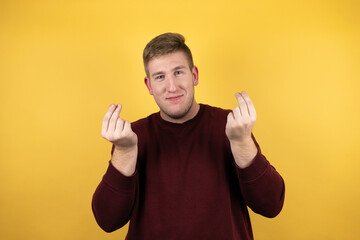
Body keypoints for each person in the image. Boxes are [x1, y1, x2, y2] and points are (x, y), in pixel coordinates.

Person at [92, 33, 285, 240]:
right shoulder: (132, 138)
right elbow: (108, 221)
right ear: (149, 86)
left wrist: (242, 142)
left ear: (194, 75)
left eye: (178, 72)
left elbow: (271, 205)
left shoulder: (231, 126)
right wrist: (123, 152)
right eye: (160, 77)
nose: (172, 87)